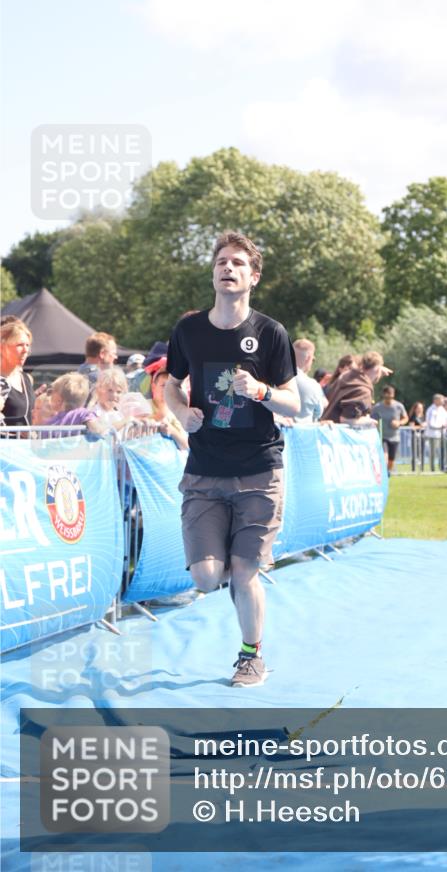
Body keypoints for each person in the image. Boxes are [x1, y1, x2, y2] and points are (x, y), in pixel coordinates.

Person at [164, 230, 300, 688]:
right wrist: (182, 413)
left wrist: (261, 392)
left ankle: (250, 656)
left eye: (238, 263)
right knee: (206, 578)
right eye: (222, 261)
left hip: (260, 470)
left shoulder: (270, 333)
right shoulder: (189, 331)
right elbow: (170, 385)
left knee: (244, 573)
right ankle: (230, 560)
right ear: (213, 273)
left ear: (253, 277)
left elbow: (294, 403)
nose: (228, 267)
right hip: (204, 472)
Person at [322, 351, 390, 424]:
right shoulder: (363, 391)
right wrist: (369, 421)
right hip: (337, 430)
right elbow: (346, 419)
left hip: (325, 426)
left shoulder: (346, 376)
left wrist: (377, 367)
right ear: (378, 370)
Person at [0, 319, 35, 426]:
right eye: (19, 345)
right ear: (2, 347)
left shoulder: (27, 379)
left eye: (27, 345)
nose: (25, 350)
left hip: (26, 437)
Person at [371, 385, 408, 475]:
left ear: (393, 395)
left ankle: (387, 472)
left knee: (391, 459)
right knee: (385, 455)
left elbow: (406, 418)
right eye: (387, 395)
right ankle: (383, 472)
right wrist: (374, 423)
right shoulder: (377, 407)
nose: (389, 397)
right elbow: (372, 418)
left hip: (395, 437)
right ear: (384, 394)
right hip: (382, 436)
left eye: (391, 395)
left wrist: (399, 422)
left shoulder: (399, 406)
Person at [150, 368, 189, 450]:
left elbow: (185, 446)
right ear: (153, 387)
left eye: (170, 387)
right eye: (163, 385)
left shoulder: (177, 411)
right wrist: (158, 418)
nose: (167, 390)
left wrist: (171, 430)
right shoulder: (143, 405)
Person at [292, 338, 327, 423]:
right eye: (313, 359)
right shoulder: (314, 385)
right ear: (308, 358)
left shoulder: (274, 378)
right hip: (302, 430)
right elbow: (318, 413)